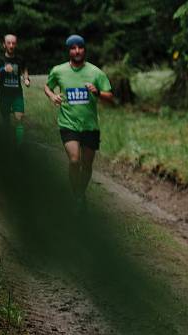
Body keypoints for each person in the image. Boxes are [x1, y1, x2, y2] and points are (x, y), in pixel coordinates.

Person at [43, 35, 113, 208]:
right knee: (75, 160)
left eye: (80, 47)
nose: (77, 51)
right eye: (73, 48)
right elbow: (47, 86)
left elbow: (109, 96)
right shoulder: (58, 71)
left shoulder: (96, 72)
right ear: (69, 51)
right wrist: (53, 96)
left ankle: (80, 192)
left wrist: (96, 92)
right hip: (68, 124)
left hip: (90, 126)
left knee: (87, 164)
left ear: (84, 49)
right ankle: (77, 196)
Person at [0, 34, 30, 144]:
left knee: (19, 119)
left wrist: (26, 79)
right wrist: (2, 70)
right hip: (3, 94)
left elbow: (24, 69)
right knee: (6, 120)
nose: (11, 45)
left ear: (16, 44)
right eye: (9, 43)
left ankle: (19, 146)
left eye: (13, 43)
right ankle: (6, 144)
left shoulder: (20, 59)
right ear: (4, 45)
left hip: (17, 93)